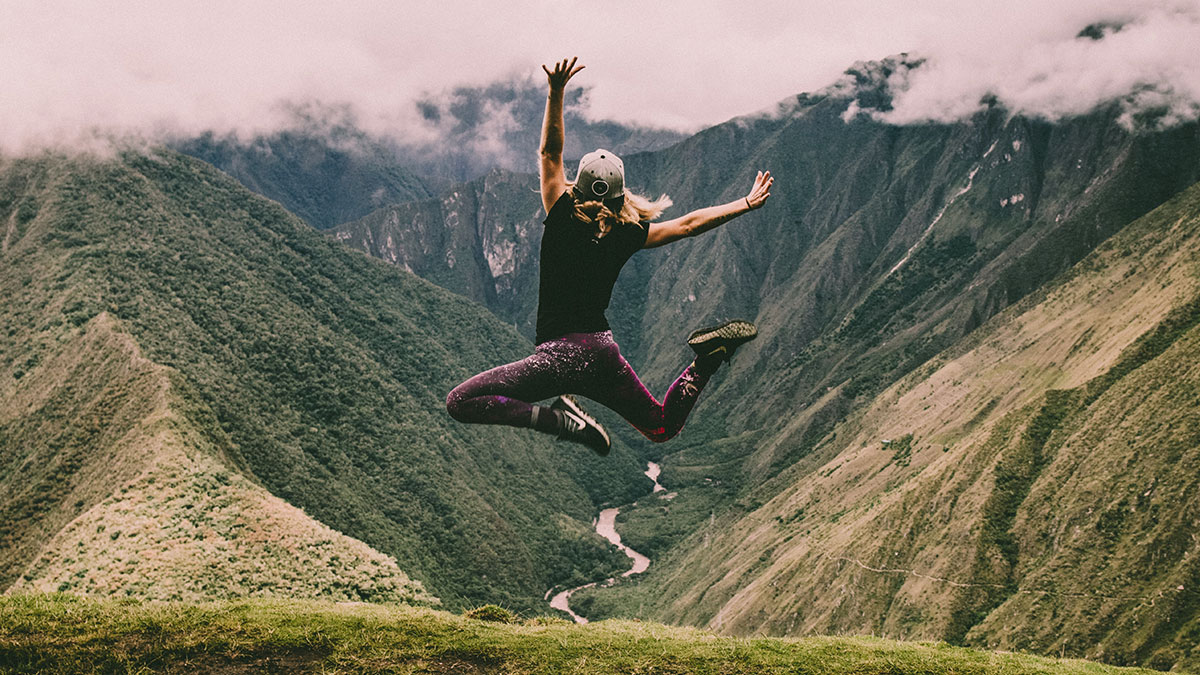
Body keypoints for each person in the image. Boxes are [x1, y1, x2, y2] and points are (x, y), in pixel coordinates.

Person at [446, 57, 773, 456]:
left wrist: (556, 91)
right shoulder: (628, 232)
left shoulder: (562, 213)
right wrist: (744, 203)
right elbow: (687, 225)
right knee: (661, 426)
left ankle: (559, 421)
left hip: (558, 358)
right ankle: (706, 361)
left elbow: (550, 152)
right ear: (621, 194)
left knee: (460, 402)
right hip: (602, 354)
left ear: (577, 187)